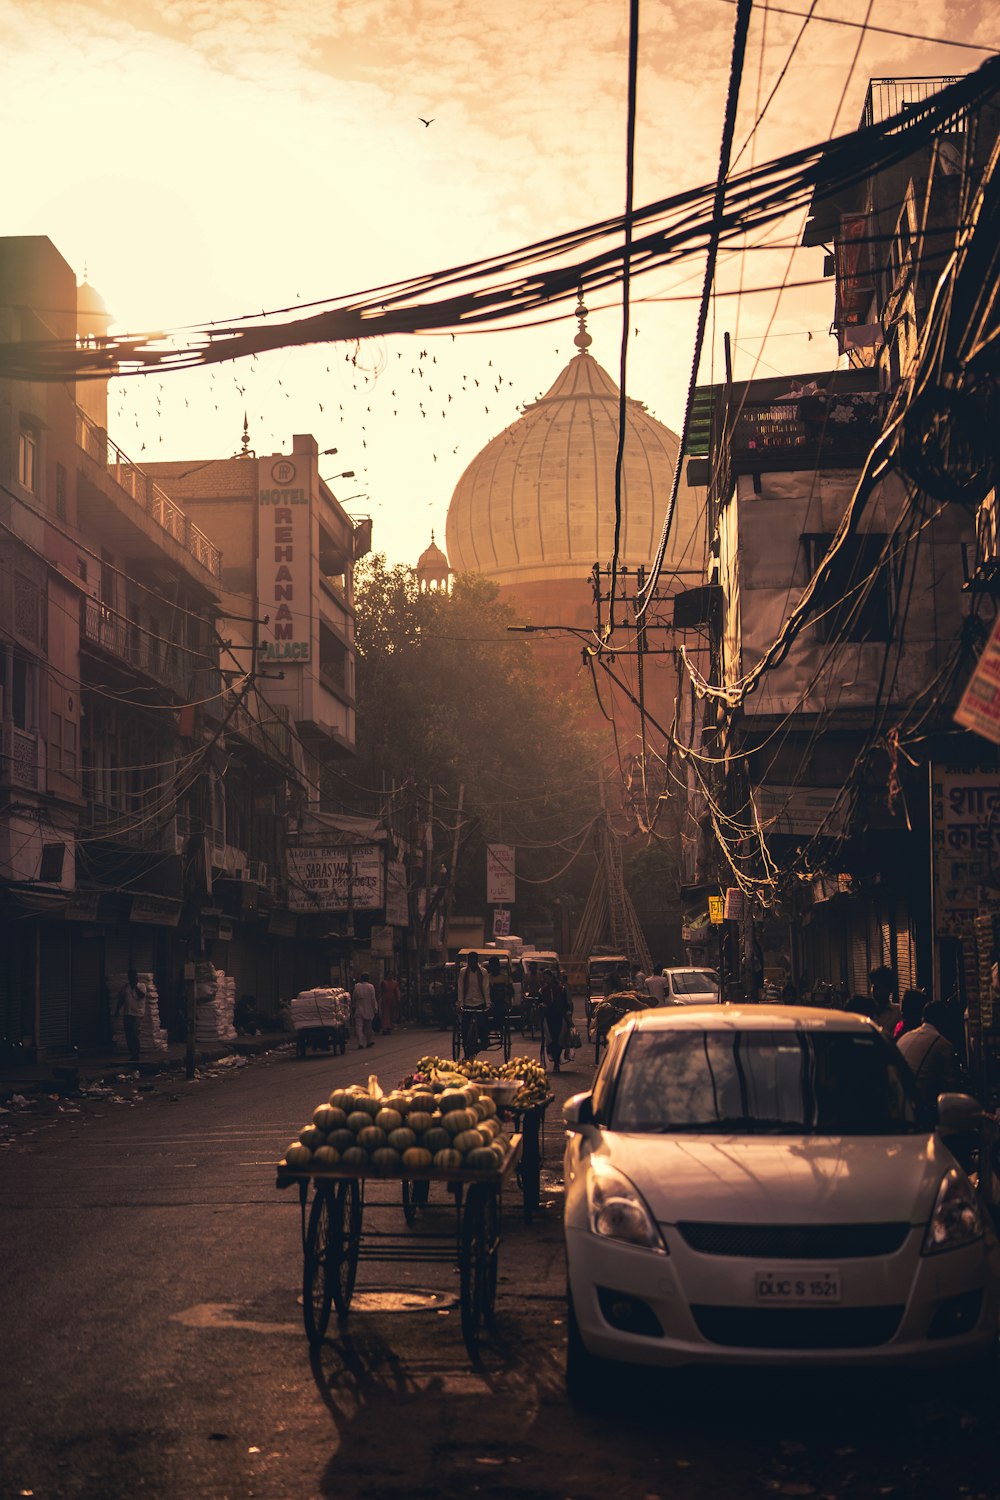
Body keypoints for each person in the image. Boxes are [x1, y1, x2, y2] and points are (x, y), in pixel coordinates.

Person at [897, 998, 963, 1109]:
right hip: (915, 1106)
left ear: (923, 1019)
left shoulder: (907, 1035)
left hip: (895, 1098)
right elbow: (950, 1084)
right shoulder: (942, 1044)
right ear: (943, 1021)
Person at [540, 967, 572, 1073]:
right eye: (545, 979)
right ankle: (555, 1062)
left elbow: (566, 1005)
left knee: (559, 1040)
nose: (547, 981)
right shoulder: (542, 991)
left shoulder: (561, 989)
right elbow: (540, 1003)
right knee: (551, 1040)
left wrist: (568, 1017)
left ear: (552, 978)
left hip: (559, 1017)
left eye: (548, 979)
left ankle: (557, 1062)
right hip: (548, 1018)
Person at [458, 951, 489, 1052]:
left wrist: (488, 1004)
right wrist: (460, 1004)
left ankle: (484, 1041)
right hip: (467, 1003)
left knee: (482, 1024)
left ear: (476, 960)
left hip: (480, 1002)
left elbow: (485, 988)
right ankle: (465, 1045)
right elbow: (461, 988)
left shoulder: (483, 972)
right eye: (469, 960)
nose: (471, 962)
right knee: (465, 1026)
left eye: (473, 960)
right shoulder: (463, 972)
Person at [116, 968, 147, 1062]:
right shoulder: (126, 987)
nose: (131, 979)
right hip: (128, 1013)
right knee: (128, 1034)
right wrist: (117, 1010)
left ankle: (136, 1054)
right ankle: (133, 1054)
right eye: (130, 977)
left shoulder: (141, 986)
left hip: (137, 1014)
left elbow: (142, 996)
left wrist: (135, 987)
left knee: (134, 1033)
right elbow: (121, 999)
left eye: (133, 977)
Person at [869, 965, 900, 1037]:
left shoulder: (898, 1013)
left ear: (890, 990)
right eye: (875, 988)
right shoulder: (865, 1011)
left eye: (882, 989)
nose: (878, 992)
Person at [352, 971, 378, 1049]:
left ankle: (360, 1043)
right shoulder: (370, 987)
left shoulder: (357, 986)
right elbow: (373, 998)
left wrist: (354, 1005)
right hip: (368, 1008)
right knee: (368, 1026)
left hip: (359, 1008)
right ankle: (368, 1042)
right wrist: (375, 1008)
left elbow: (354, 997)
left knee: (359, 1026)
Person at [379, 971, 400, 1036]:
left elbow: (397, 992)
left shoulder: (394, 983)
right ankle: (386, 1027)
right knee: (386, 1014)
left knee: (390, 1014)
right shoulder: (384, 983)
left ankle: (388, 1027)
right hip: (387, 1000)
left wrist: (398, 999)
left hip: (390, 1000)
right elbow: (381, 992)